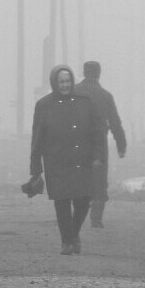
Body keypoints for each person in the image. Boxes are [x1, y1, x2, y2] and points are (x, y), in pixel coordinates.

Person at [30, 64, 105, 255]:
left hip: (82, 160)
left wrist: (98, 155)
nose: (65, 85)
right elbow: (37, 139)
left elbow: (98, 131)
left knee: (83, 200)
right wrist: (36, 168)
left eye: (68, 81)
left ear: (72, 81)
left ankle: (73, 233)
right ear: (55, 83)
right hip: (56, 162)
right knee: (62, 202)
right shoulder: (44, 105)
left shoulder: (85, 102)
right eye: (61, 82)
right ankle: (67, 242)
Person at [74, 60, 127, 227]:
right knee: (98, 182)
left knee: (77, 178)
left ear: (84, 72)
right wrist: (121, 145)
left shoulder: (73, 92)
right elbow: (115, 122)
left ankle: (76, 215)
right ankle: (96, 219)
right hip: (99, 145)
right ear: (99, 74)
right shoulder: (105, 96)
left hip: (75, 143)